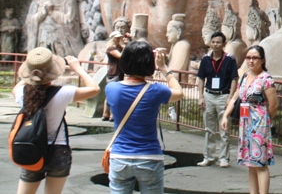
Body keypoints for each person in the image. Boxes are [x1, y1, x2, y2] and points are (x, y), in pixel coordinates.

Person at [13, 47, 100, 194]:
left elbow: (17, 86)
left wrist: (29, 75)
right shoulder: (63, 92)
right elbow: (95, 89)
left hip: (31, 148)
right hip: (58, 151)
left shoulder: (21, 93)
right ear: (53, 71)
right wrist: (77, 68)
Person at [105, 41, 184, 194]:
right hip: (149, 157)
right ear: (149, 64)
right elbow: (179, 93)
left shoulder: (111, 88)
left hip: (120, 156)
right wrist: (164, 68)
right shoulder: (156, 91)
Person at [221, 45, 279, 194]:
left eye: (254, 58)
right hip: (245, 123)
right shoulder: (245, 76)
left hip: (259, 124)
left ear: (262, 60)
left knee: (260, 163)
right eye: (248, 57)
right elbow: (235, 97)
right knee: (250, 163)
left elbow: (273, 105)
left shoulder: (266, 79)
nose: (251, 61)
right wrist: (225, 115)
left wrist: (265, 122)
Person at [196, 31, 239, 167]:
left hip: (223, 95)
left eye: (218, 42)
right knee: (209, 129)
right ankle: (208, 156)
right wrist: (200, 97)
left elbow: (234, 79)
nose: (215, 45)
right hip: (209, 95)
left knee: (224, 128)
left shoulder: (230, 59)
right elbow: (201, 78)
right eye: (213, 42)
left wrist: (230, 98)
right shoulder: (205, 59)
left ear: (223, 44)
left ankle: (224, 158)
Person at [102, 31, 126, 121]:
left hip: (118, 72)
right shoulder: (111, 48)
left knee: (110, 94)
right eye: (117, 38)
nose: (118, 39)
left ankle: (106, 115)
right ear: (112, 38)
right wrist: (124, 47)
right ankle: (111, 115)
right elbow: (121, 56)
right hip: (114, 73)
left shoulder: (118, 47)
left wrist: (126, 44)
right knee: (113, 94)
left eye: (119, 37)